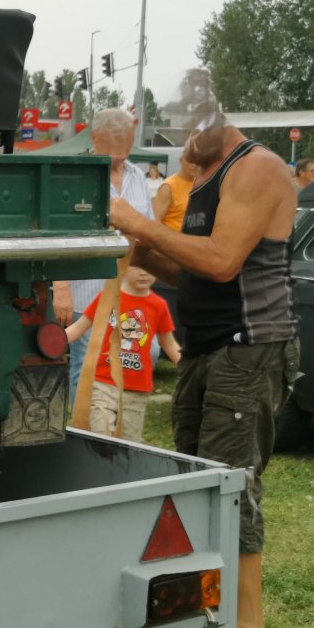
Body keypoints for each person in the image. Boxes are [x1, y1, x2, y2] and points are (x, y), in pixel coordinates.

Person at [109, 117, 299, 628]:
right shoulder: (204, 177)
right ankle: (199, 619)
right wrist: (140, 252)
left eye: (188, 128)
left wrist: (140, 224)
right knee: (195, 482)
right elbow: (193, 271)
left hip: (248, 348)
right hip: (206, 349)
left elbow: (221, 261)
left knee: (230, 485)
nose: (181, 142)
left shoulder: (257, 167)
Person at [53, 108, 155, 396]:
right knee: (87, 361)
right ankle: (83, 421)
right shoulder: (77, 176)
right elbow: (60, 234)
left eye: (126, 135)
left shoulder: (138, 176)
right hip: (86, 292)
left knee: (142, 353)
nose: (121, 142)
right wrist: (60, 287)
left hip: (128, 294)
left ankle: (114, 416)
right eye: (114, 135)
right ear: (95, 137)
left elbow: (149, 229)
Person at [64, 264, 180, 443]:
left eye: (150, 268)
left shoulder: (159, 305)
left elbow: (169, 344)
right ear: (123, 266)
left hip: (136, 389)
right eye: (137, 266)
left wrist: (190, 368)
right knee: (101, 436)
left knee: (128, 445)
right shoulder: (107, 298)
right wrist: (50, 343)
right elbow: (78, 328)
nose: (144, 272)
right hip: (103, 383)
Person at [152, 155, 197, 231]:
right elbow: (154, 220)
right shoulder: (168, 187)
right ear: (181, 160)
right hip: (172, 236)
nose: (195, 165)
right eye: (191, 161)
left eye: (199, 162)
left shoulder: (200, 183)